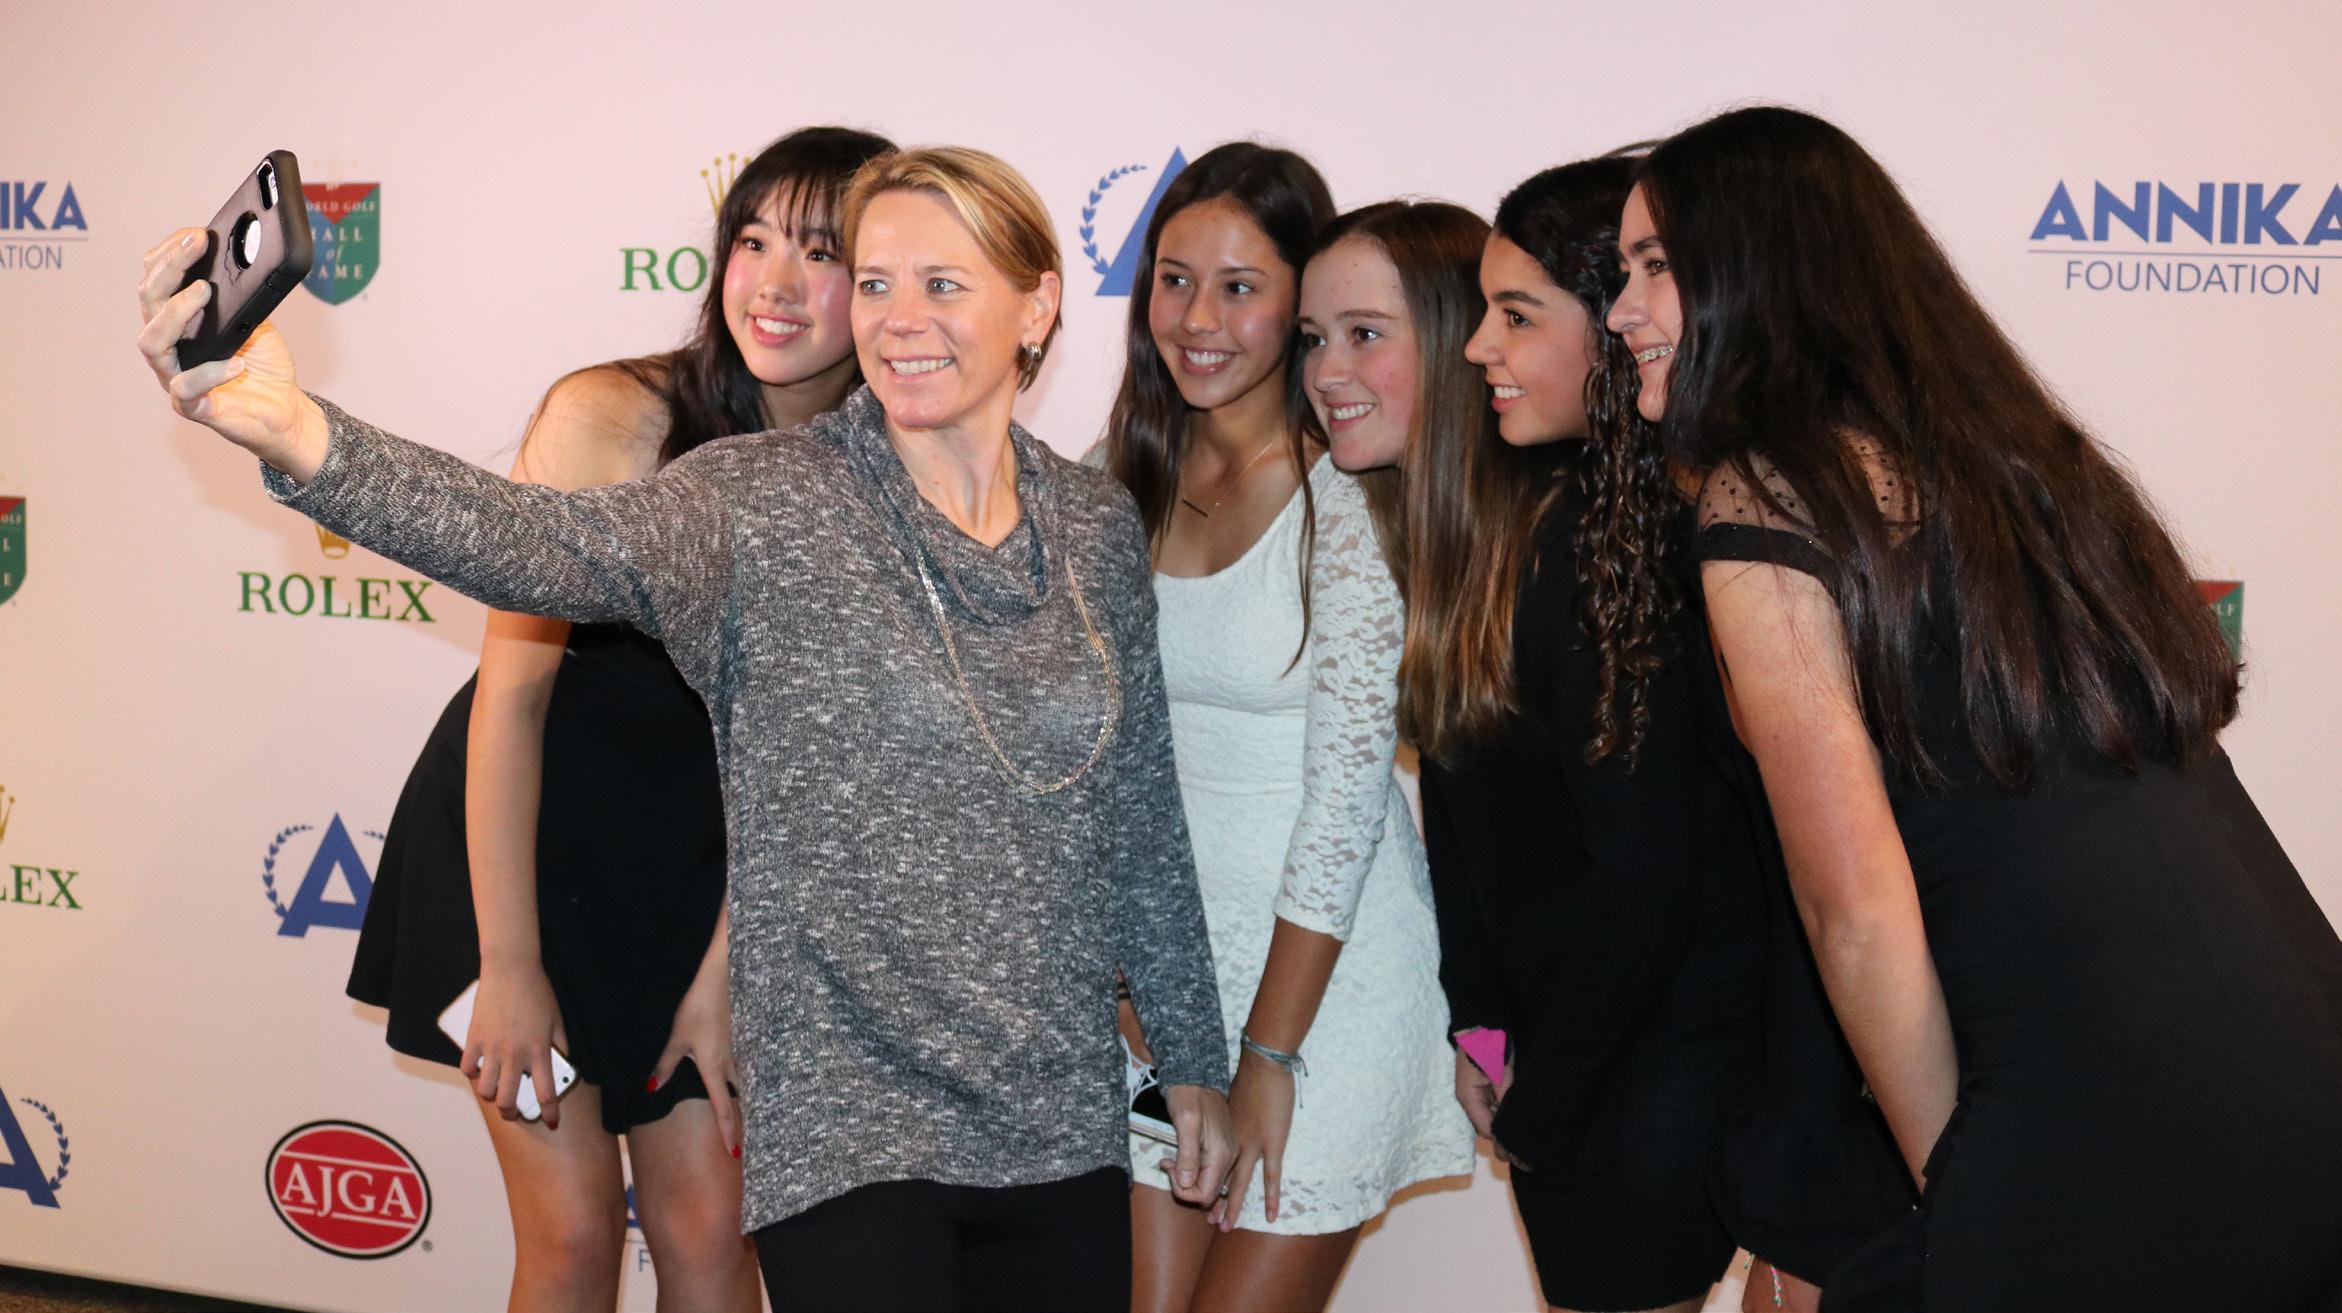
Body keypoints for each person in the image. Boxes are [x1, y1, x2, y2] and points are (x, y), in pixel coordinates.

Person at [138, 144, 1238, 1313]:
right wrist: (297, 431)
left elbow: (1138, 812)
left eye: (941, 283)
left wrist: (1191, 1060)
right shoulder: (762, 497)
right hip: (852, 1121)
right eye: (875, 283)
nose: (899, 317)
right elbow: (528, 541)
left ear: (1038, 305)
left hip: (1052, 1110)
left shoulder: (1093, 525)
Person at [1604, 105, 2342, 1310]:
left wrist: (1951, 1177)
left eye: (1654, 266)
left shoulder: (1769, 495)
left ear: (1761, 270)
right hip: (2291, 1043)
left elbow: (1852, 907)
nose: (1621, 310)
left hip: (2106, 1100)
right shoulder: (2013, 461)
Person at [344, 126, 893, 1313]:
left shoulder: (885, 477)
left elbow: (814, 763)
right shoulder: (612, 415)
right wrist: (510, 964)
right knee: (574, 1234)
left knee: (710, 1233)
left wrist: (725, 976)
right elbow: (514, 693)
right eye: (753, 242)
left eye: (822, 253)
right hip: (524, 848)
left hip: (715, 874)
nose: (776, 284)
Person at [1098, 145, 1475, 1313]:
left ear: (1296, 305)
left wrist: (1266, 1054)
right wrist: (1138, 997)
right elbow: (1081, 768)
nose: (1196, 319)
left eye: (1239, 287)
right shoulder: (1109, 485)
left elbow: (1340, 812)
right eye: (1173, 280)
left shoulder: (1350, 499)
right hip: (1161, 988)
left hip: (1322, 991)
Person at [1407, 155, 1767, 1313]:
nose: (1478, 347)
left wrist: (1547, 1096)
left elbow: (1649, 874)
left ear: (1611, 328)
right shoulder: (1534, 521)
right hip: (1562, 1068)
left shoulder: (1636, 545)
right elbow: (1462, 810)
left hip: (1640, 1081)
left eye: (1517, 316)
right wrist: (1484, 1031)